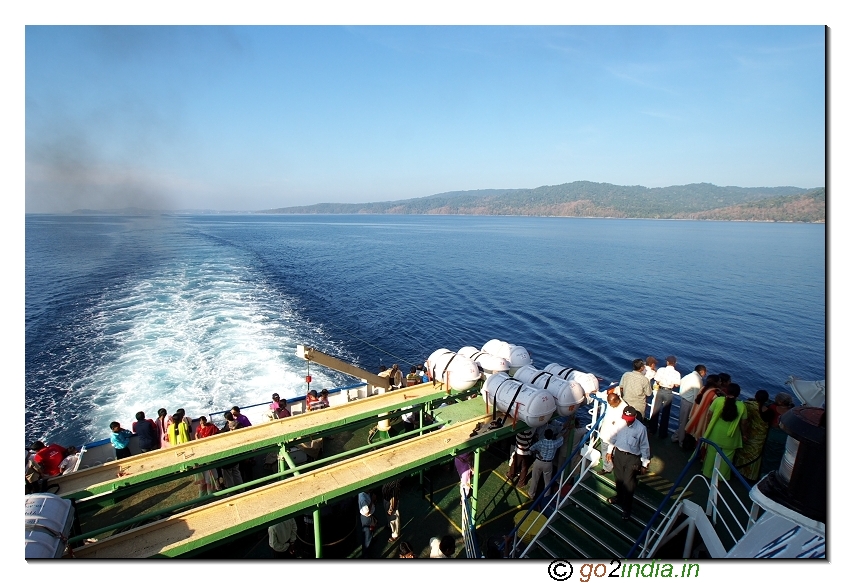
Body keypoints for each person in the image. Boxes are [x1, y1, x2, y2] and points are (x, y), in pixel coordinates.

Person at [606, 405, 651, 521]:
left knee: (628, 483)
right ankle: (619, 497)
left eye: (629, 420)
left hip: (633, 458)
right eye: (626, 419)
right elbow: (613, 437)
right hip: (619, 455)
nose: (627, 422)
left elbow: (644, 447)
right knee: (619, 479)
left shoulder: (641, 429)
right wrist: (609, 451)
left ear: (635, 417)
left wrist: (645, 464)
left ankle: (627, 509)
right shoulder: (619, 423)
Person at [702, 383, 748, 480]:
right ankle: (721, 477)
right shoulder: (742, 406)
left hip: (715, 433)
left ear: (726, 392)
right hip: (731, 437)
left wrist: (707, 427)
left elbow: (709, 415)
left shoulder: (718, 400)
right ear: (738, 394)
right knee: (727, 458)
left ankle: (707, 473)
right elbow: (744, 423)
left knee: (711, 454)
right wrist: (744, 435)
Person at [734, 390, 774, 483]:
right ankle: (750, 475)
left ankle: (737, 470)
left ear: (755, 397)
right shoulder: (769, 411)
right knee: (754, 456)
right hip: (759, 437)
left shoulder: (748, 404)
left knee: (743, 452)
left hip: (747, 432)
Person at [672, 365, 706, 446]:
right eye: (705, 372)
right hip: (689, 403)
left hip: (683, 400)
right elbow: (697, 396)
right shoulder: (698, 380)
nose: (705, 374)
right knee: (685, 422)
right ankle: (681, 441)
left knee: (682, 421)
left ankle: (676, 437)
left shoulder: (688, 376)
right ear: (701, 372)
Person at [647, 355, 680, 438]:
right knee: (666, 413)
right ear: (675, 363)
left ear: (667, 362)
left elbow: (657, 380)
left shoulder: (661, 370)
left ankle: (652, 430)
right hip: (669, 392)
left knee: (656, 410)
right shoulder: (677, 374)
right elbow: (677, 384)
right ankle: (662, 433)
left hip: (660, 391)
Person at [527, 428, 564, 499]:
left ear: (544, 435)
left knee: (535, 479)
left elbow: (531, 449)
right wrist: (568, 428)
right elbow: (562, 438)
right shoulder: (554, 443)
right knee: (547, 481)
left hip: (538, 461)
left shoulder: (541, 442)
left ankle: (531, 494)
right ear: (552, 435)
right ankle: (546, 496)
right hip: (548, 463)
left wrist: (538, 452)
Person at [685, 374, 723, 443]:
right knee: (701, 432)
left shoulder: (703, 388)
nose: (721, 383)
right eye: (719, 381)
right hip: (704, 415)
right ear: (715, 383)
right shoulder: (714, 394)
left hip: (696, 412)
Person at [598, 393, 627, 474]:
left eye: (612, 404)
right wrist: (596, 393)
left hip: (614, 435)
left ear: (617, 401)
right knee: (604, 450)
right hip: (605, 432)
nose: (610, 406)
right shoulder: (611, 401)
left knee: (612, 452)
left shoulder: (624, 410)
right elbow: (604, 396)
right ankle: (607, 467)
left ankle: (612, 467)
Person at [193, 416, 221, 497]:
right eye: (201, 422)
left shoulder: (211, 426)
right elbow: (196, 435)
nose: (202, 423)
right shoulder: (198, 428)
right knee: (207, 478)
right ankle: (208, 492)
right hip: (202, 449)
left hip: (210, 447)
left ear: (206, 421)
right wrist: (197, 440)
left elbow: (217, 432)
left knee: (212, 475)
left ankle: (213, 489)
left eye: (203, 422)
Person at [218, 412, 244, 489]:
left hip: (229, 454)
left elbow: (224, 432)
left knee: (228, 475)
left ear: (226, 418)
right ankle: (241, 489)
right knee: (236, 472)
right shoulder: (237, 423)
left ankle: (231, 491)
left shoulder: (229, 426)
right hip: (236, 452)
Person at [358, 490, 377, 557]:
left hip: (367, 517)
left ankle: (371, 540)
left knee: (370, 532)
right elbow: (367, 512)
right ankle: (366, 555)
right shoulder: (363, 498)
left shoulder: (364, 493)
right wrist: (372, 500)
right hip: (367, 518)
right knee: (367, 537)